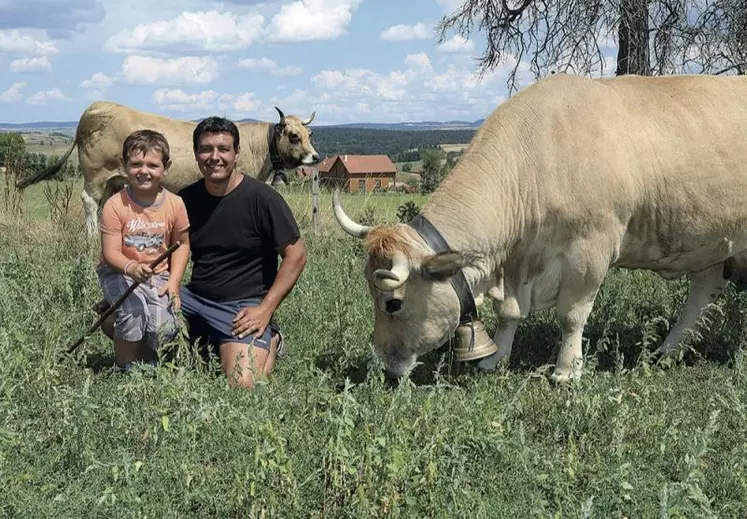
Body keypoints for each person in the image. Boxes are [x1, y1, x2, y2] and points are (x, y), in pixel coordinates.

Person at [177, 116, 307, 389]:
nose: (215, 157)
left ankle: (270, 338)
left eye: (223, 149)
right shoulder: (185, 199)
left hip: (243, 306)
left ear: (236, 153)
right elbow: (166, 253)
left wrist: (265, 309)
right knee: (125, 324)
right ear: (196, 153)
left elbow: (296, 255)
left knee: (243, 382)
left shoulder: (262, 198)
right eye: (206, 149)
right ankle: (211, 339)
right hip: (194, 299)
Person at [96, 129, 191, 371]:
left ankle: (149, 363)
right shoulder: (115, 205)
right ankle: (126, 367)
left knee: (164, 325)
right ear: (124, 165)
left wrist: (175, 283)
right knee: (134, 311)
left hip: (158, 274)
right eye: (136, 164)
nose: (144, 171)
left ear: (165, 167)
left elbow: (182, 245)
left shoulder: (175, 204)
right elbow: (110, 253)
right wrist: (131, 267)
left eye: (152, 164)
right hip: (118, 271)